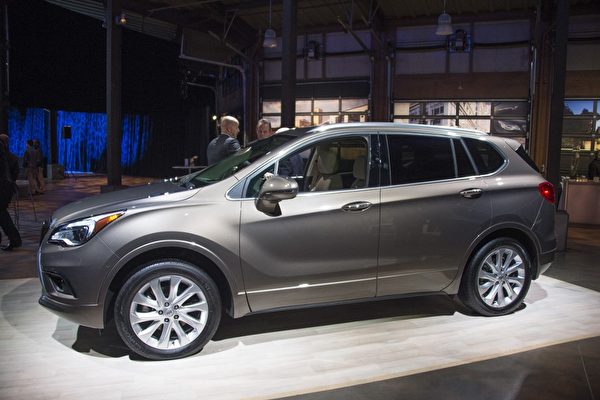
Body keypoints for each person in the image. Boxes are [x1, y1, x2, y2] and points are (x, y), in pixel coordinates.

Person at [0, 134, 22, 251]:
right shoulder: (12, 157)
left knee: (2, 214)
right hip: (7, 188)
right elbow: (14, 175)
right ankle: (14, 239)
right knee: (2, 213)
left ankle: (15, 239)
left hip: (3, 187)